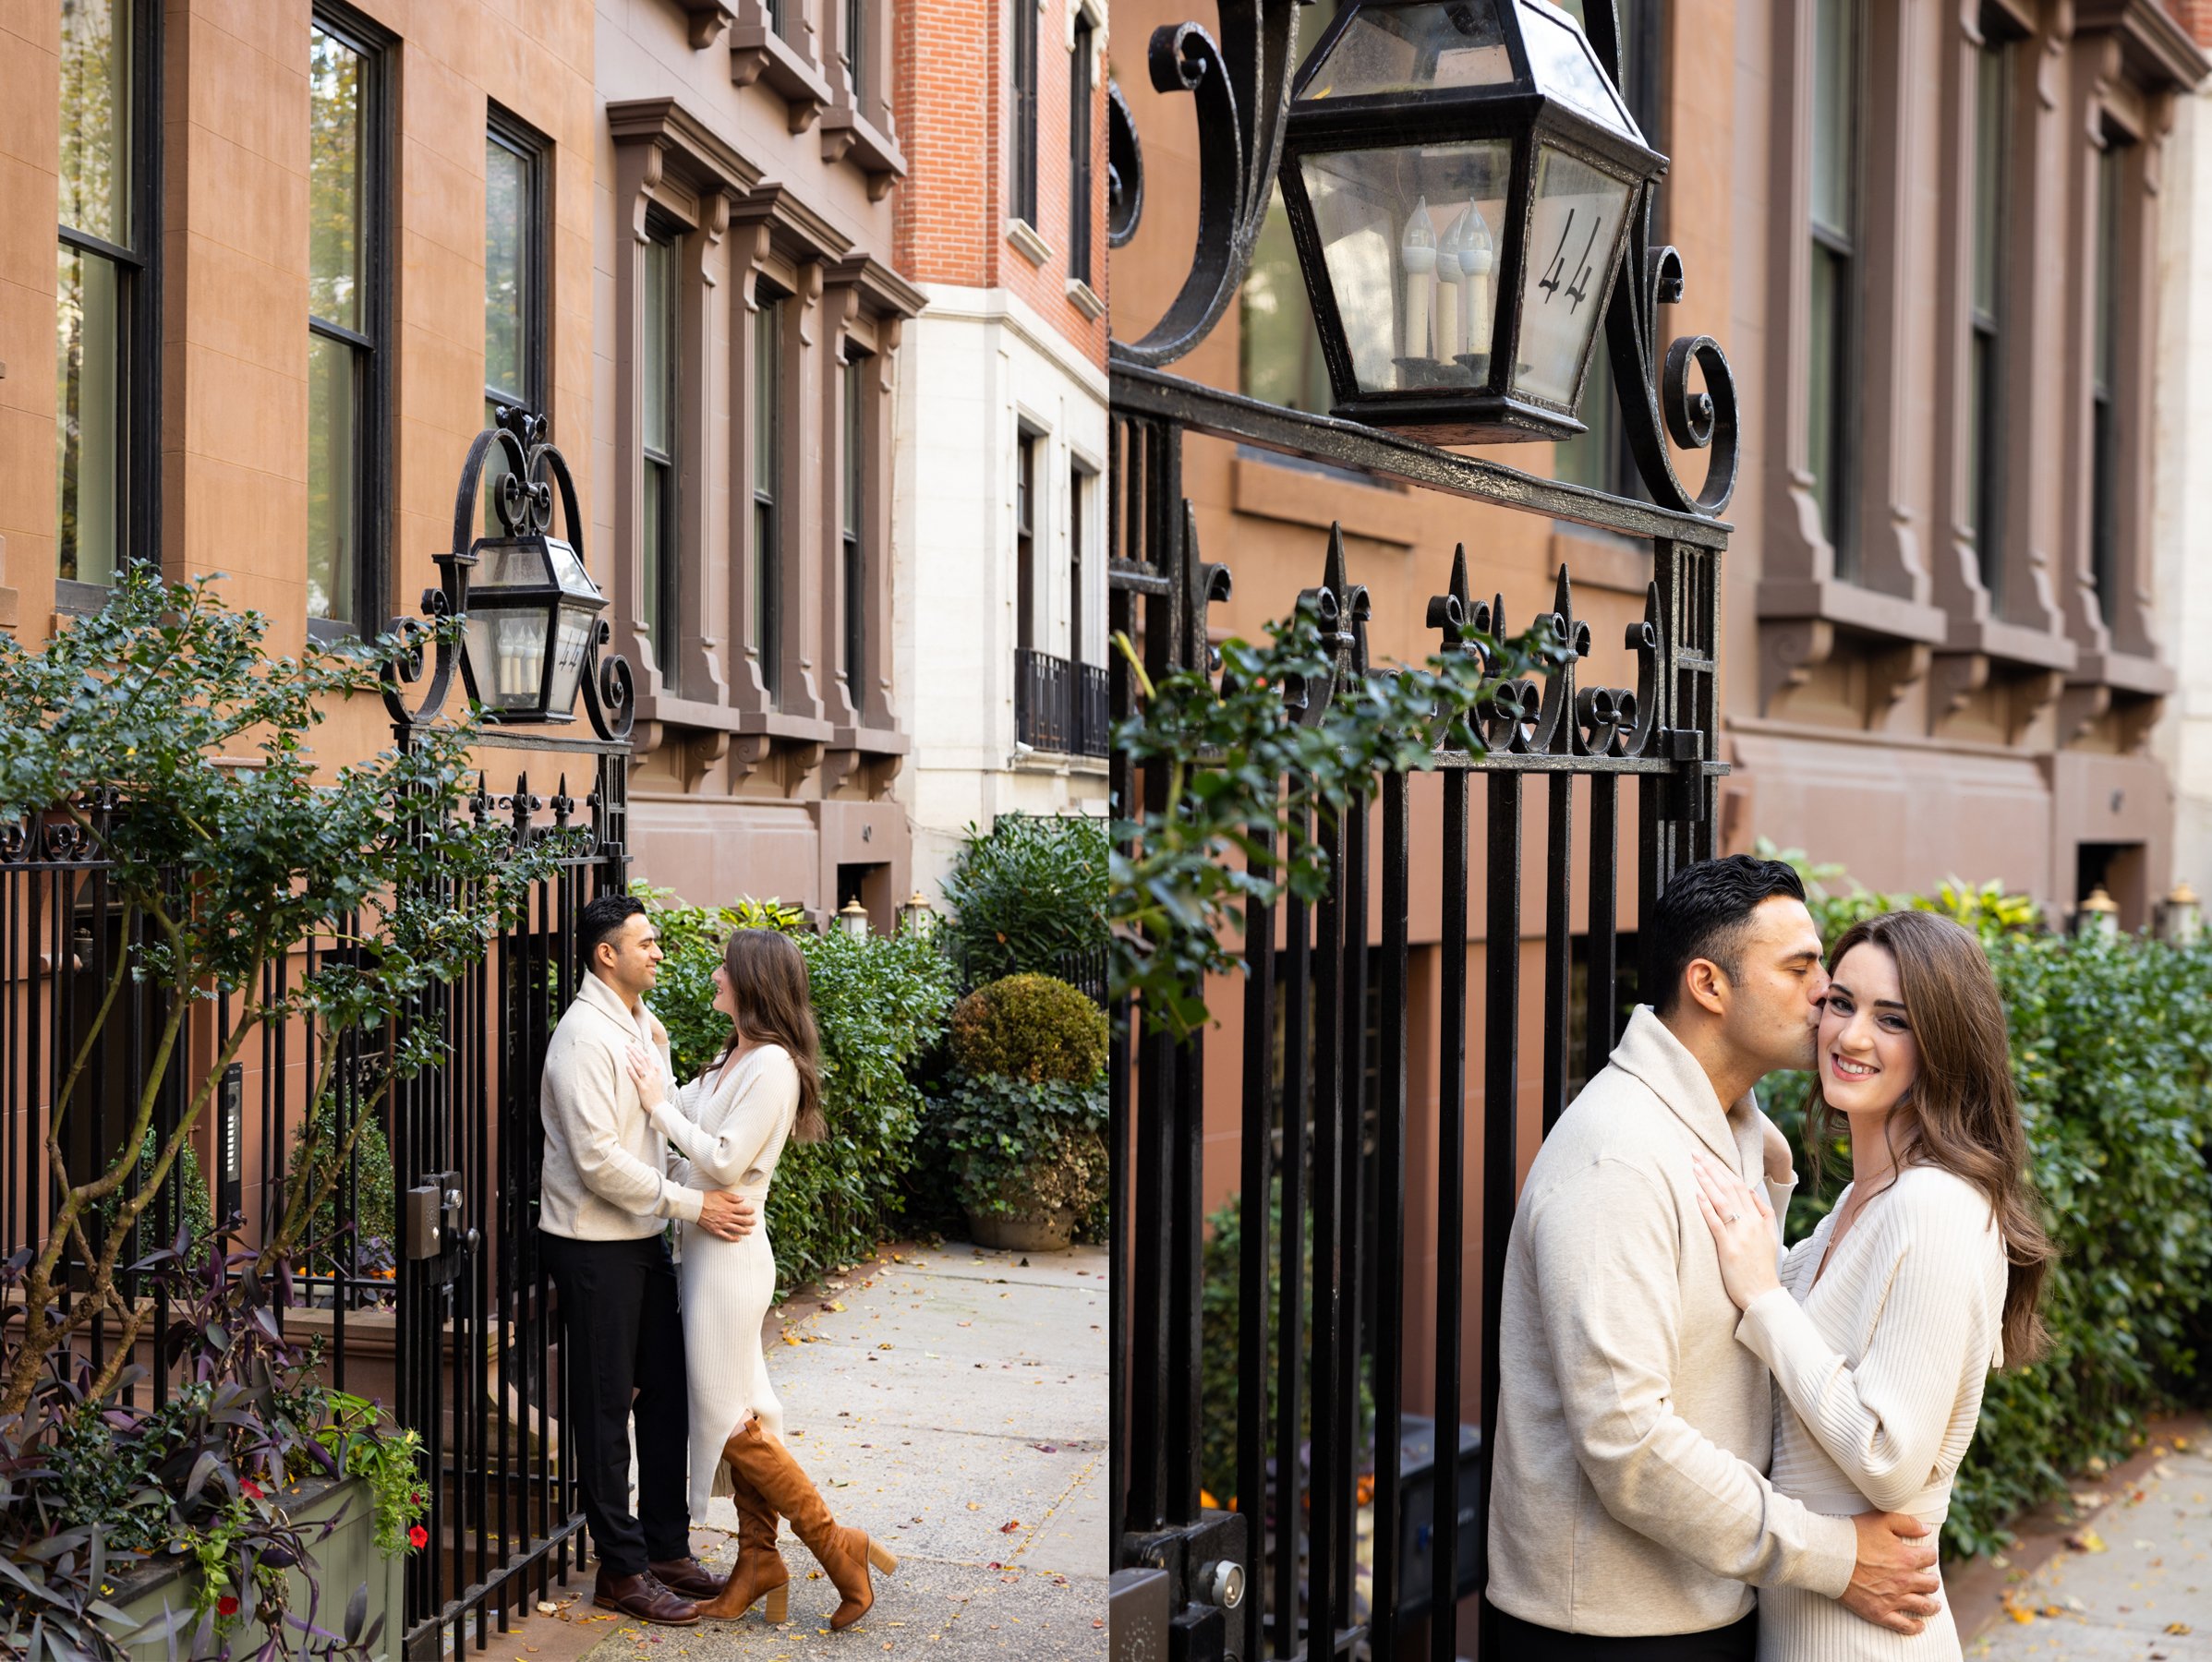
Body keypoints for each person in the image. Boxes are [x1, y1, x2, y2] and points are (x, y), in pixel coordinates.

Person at [1486, 855, 1944, 1660]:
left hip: (1709, 1604)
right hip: (1608, 1630)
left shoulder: (1727, 1125)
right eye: (1800, 968)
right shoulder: (1618, 1159)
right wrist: (1835, 1557)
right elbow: (1626, 1442)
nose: (1824, 996)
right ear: (1708, 985)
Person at [1692, 910, 2051, 1660]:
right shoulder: (1856, 1210)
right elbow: (1781, 1357)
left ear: (1943, 1044)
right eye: (1840, 1003)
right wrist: (1770, 1187)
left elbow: (1889, 1461)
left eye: (1893, 1020)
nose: (1851, 1037)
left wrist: (1763, 1297)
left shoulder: (1936, 1207)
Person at [623, 927, 899, 1632]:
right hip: (706, 1252)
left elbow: (717, 1157)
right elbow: (684, 1114)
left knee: (724, 1418)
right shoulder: (731, 1058)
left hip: (731, 1260)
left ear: (750, 981)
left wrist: (657, 1107)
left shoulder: (772, 1065)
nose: (713, 974)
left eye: (724, 966)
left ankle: (839, 1549)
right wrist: (653, 1053)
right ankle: (757, 1559)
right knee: (741, 1410)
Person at [538, 893, 759, 1628]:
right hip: (591, 1244)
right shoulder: (581, 1039)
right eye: (647, 942)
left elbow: (663, 1122)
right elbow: (599, 1163)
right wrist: (696, 1206)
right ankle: (621, 1572)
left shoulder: (640, 1024)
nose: (659, 951)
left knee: (666, 1392)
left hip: (639, 1237)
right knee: (604, 1411)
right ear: (608, 954)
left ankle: (665, 1547)